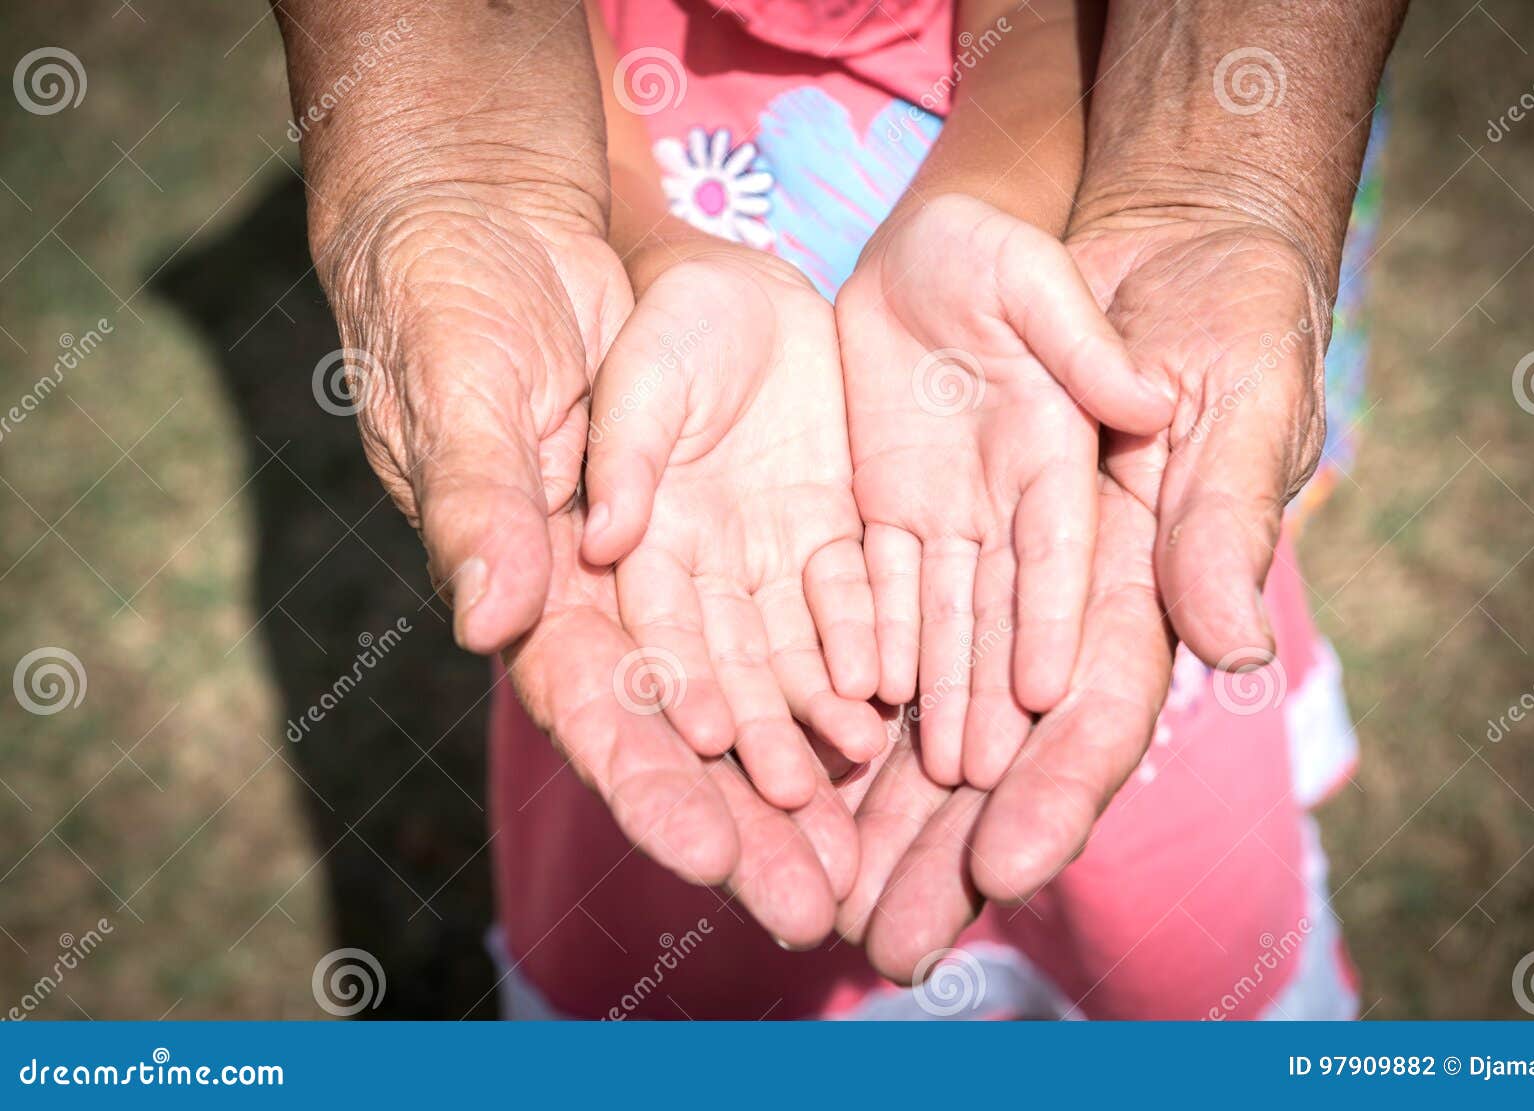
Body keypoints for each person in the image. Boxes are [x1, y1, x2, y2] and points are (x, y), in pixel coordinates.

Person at [273, 0, 1406, 1018]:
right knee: (694, 868)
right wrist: (623, 231)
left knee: (1135, 879)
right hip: (665, 393)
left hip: (1060, 414)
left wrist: (996, 192)